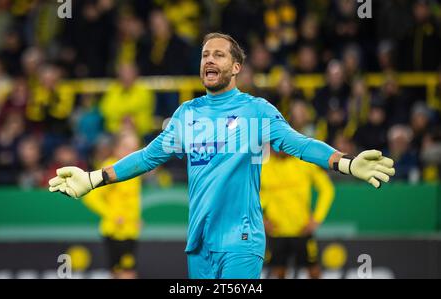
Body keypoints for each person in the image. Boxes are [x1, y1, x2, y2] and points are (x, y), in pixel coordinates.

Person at [48, 33, 395, 279]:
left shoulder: (256, 111)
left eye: (218, 54)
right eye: (204, 55)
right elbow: (147, 156)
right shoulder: (187, 114)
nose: (209, 60)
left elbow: (300, 144)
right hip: (199, 242)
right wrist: (93, 178)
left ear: (236, 67)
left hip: (241, 239)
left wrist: (346, 162)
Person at [261, 150, 334, 279]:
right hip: (277, 232)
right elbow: (253, 197)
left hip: (302, 230)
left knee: (314, 271)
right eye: (274, 143)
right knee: (278, 272)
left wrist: (317, 218)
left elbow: (327, 189)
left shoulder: (305, 164)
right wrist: (261, 220)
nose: (278, 147)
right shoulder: (263, 167)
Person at [82, 131, 142, 279]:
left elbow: (129, 199)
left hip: (130, 230)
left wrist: (135, 218)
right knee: (125, 273)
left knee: (121, 272)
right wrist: (113, 215)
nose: (131, 151)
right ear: (116, 148)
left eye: (135, 148)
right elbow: (91, 197)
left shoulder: (134, 169)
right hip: (116, 231)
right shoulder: (110, 168)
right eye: (127, 147)